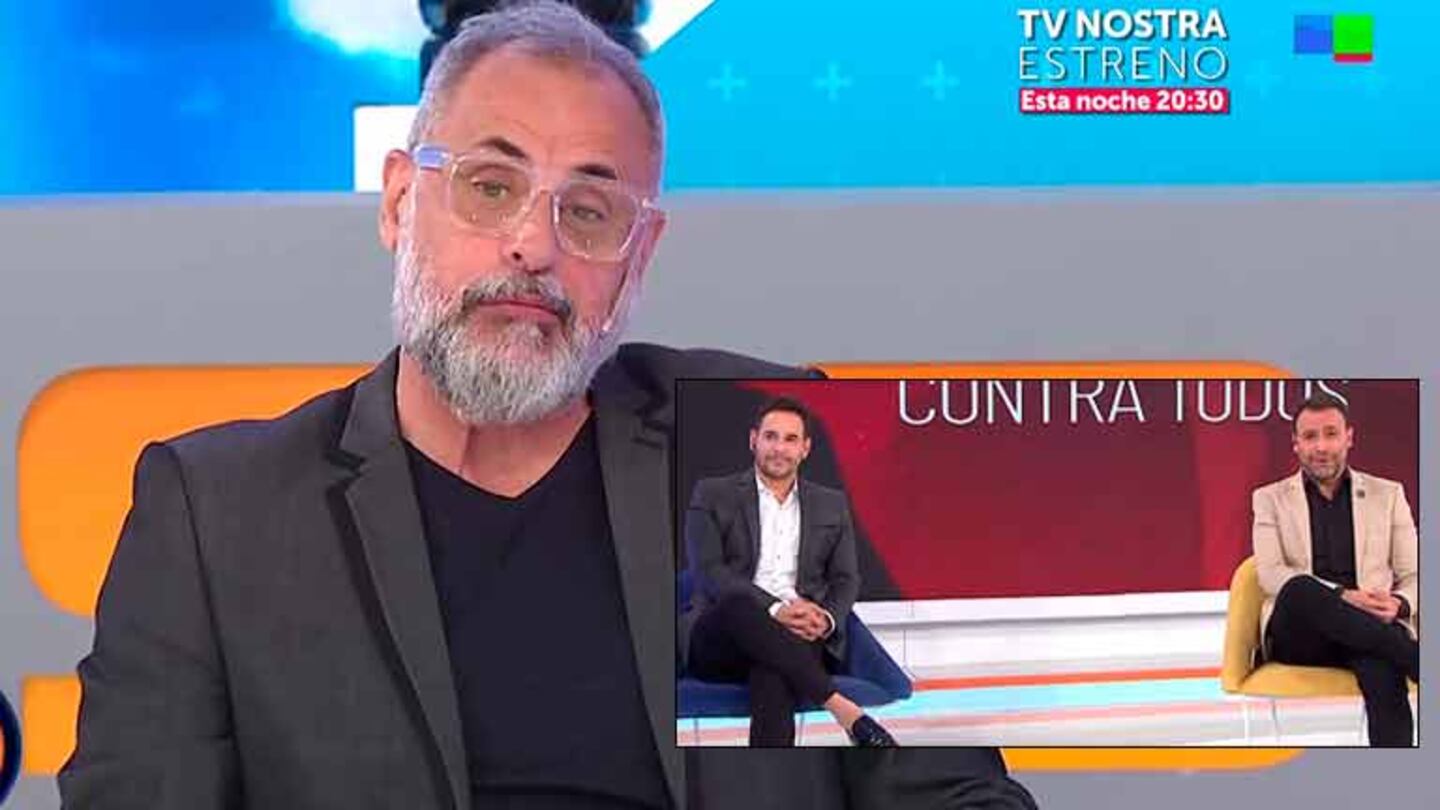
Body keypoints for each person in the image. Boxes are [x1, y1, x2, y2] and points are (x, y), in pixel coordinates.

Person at [58, 2, 1036, 808]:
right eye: (490, 187)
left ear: (638, 256)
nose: (534, 244)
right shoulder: (216, 513)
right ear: (398, 202)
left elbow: (951, 790)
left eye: (590, 210)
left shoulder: (760, 442)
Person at [682, 397, 896, 747]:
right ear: (754, 440)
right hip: (721, 636)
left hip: (799, 633)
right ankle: (845, 711)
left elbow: (846, 578)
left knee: (774, 673)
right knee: (740, 604)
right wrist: (776, 610)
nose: (779, 448)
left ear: (805, 448)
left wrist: (825, 619)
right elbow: (709, 572)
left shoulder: (830, 503)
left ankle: (770, 776)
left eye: (790, 439)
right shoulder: (713, 494)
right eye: (771, 437)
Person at [1251, 392, 1419, 746]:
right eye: (1310, 436)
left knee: (1383, 671)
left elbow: (1416, 573)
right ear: (1296, 444)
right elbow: (1270, 574)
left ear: (1349, 438)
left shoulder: (1388, 495)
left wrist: (1400, 604)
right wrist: (1344, 596)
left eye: (1331, 434)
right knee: (1299, 587)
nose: (1321, 447)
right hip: (1301, 636)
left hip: (1370, 630)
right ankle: (1415, 658)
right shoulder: (1270, 498)